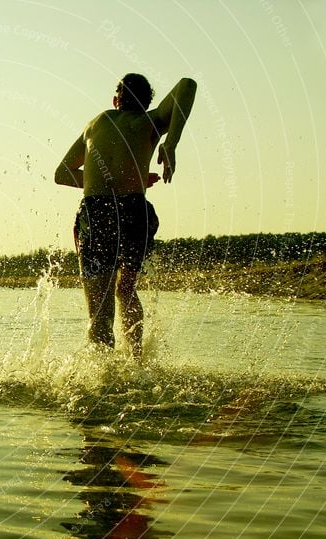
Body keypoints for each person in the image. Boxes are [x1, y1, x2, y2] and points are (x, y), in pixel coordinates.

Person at [54, 73, 196, 359]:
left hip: (97, 212)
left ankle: (102, 383)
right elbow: (186, 85)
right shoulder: (150, 122)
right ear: (146, 102)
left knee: (100, 311)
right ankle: (137, 363)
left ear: (115, 99)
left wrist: (106, 179)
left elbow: (63, 174)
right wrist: (171, 143)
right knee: (126, 290)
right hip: (134, 211)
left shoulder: (97, 123)